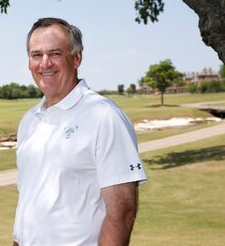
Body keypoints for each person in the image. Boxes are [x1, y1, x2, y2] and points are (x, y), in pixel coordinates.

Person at [13, 17, 147, 246]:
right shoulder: (29, 121)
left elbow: (123, 211)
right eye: (37, 55)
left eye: (55, 53)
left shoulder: (104, 116)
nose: (44, 63)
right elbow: (28, 207)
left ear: (76, 58)